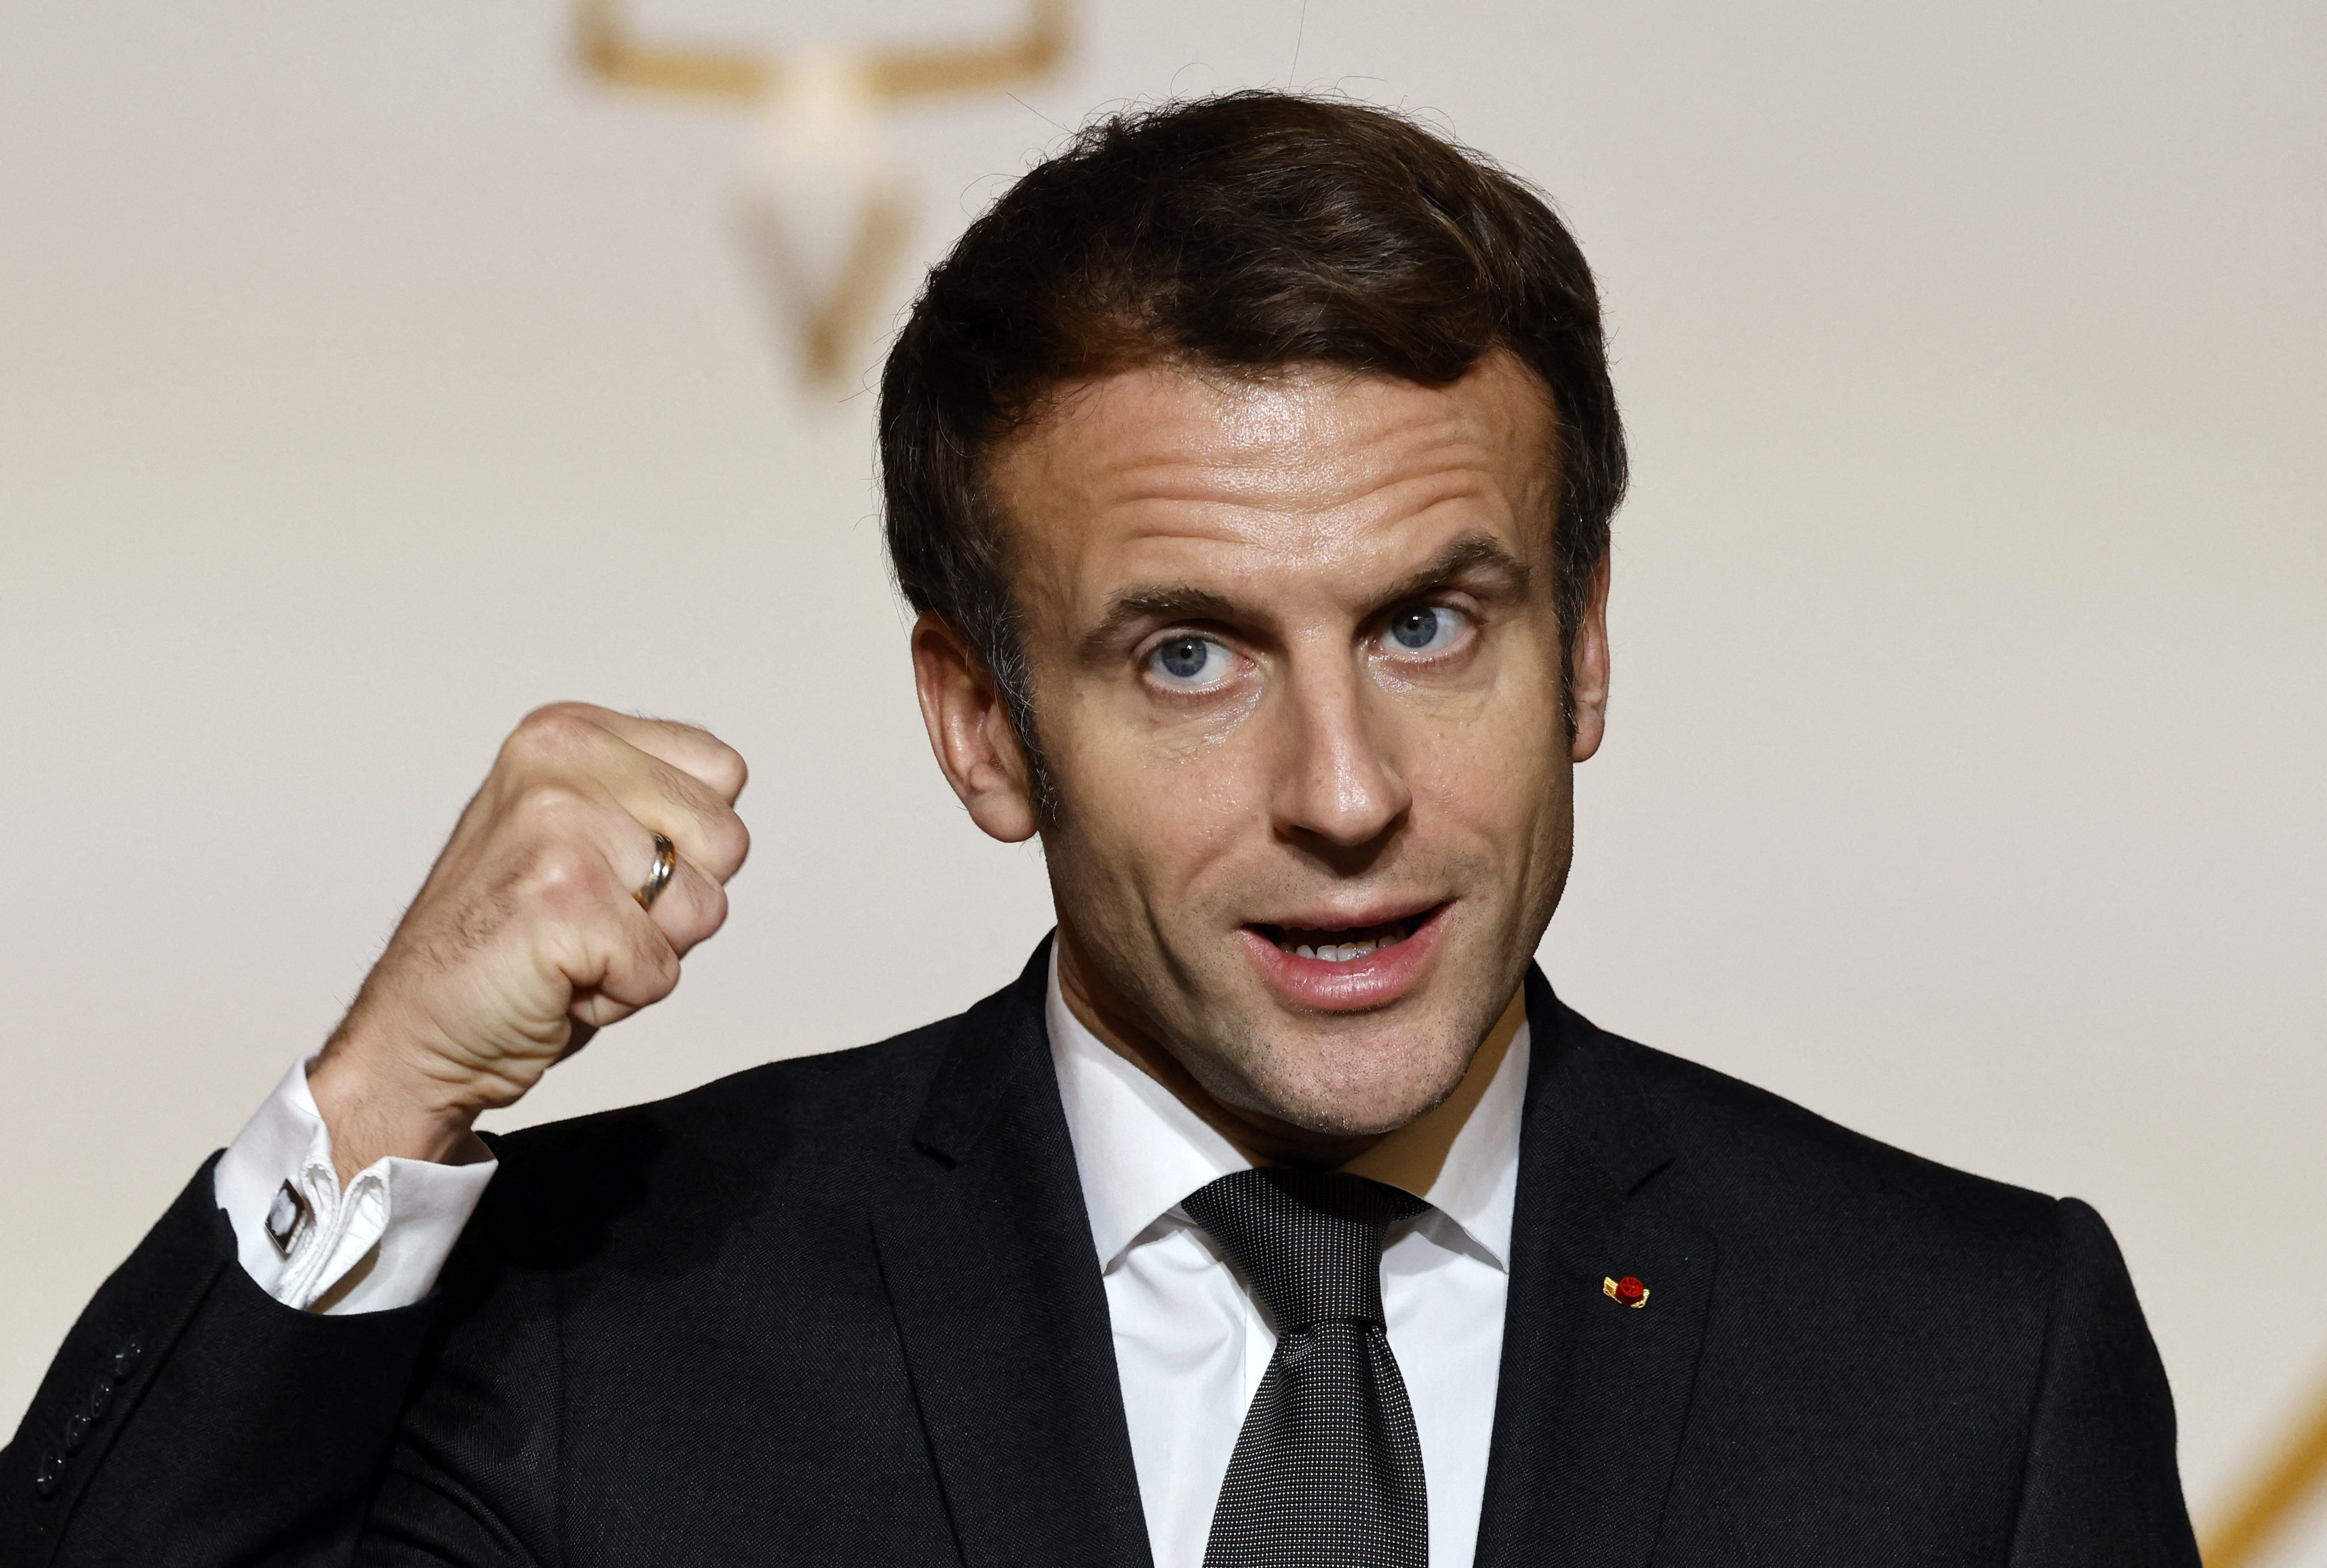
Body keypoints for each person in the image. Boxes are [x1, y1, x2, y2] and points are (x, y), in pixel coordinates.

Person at [3, 91, 2197, 1567]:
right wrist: (383, 1091)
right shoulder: (606, 1327)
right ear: (980, 722)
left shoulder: (1965, 1357)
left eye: (1432, 618)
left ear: (1589, 646)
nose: (1347, 793)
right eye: (1187, 654)